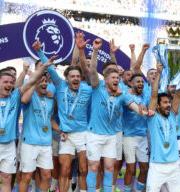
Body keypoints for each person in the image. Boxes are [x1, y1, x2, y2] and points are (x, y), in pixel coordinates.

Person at [0, 44, 56, 192]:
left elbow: (31, 80)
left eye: (11, 82)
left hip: (9, 144)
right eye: (5, 82)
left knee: (8, 178)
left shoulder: (15, 95)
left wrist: (44, 66)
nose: (9, 85)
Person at [74, 31, 147, 192]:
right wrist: (91, 50)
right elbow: (89, 70)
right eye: (113, 78)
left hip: (111, 136)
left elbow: (136, 107)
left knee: (109, 167)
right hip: (94, 135)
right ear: (105, 79)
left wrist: (142, 110)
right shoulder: (97, 86)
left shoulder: (122, 94)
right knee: (93, 166)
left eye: (117, 78)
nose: (116, 80)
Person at [33, 40, 92, 192]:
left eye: (78, 76)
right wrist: (40, 51)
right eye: (72, 76)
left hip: (82, 134)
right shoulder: (60, 86)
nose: (76, 78)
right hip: (66, 135)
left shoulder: (87, 89)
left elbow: (91, 73)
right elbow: (51, 70)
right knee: (65, 170)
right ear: (67, 79)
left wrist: (81, 50)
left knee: (84, 170)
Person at [18, 74, 66, 192]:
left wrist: (61, 131)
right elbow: (23, 100)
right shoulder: (30, 95)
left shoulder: (49, 99)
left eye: (46, 81)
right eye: (41, 81)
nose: (44, 83)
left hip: (45, 143)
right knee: (27, 176)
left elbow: (50, 120)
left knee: (46, 175)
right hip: (29, 143)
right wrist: (34, 83)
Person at [145, 63, 180, 191]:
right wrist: (159, 73)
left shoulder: (172, 115)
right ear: (157, 106)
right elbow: (154, 94)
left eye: (169, 102)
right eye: (165, 103)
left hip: (174, 165)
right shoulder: (153, 118)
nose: (168, 105)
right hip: (157, 166)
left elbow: (178, 95)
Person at [122, 74, 149, 192]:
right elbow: (136, 109)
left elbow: (149, 108)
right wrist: (140, 106)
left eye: (142, 82)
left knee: (144, 168)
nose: (141, 84)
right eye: (138, 82)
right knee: (131, 169)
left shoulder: (146, 96)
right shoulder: (126, 96)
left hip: (143, 136)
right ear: (131, 84)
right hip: (129, 137)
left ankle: (138, 190)